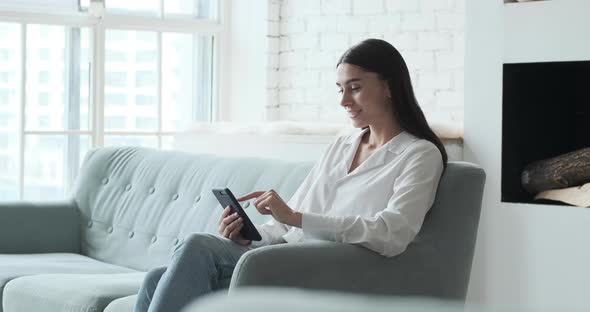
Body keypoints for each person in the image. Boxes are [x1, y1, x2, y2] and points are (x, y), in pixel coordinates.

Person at [134, 38, 447, 312]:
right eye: (340, 89)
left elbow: (392, 233)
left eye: (355, 87)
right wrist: (247, 237)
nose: (343, 101)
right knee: (154, 279)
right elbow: (285, 225)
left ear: (389, 86)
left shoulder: (418, 154)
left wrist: (297, 218)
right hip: (282, 256)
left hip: (327, 268)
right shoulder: (342, 146)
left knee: (197, 245)